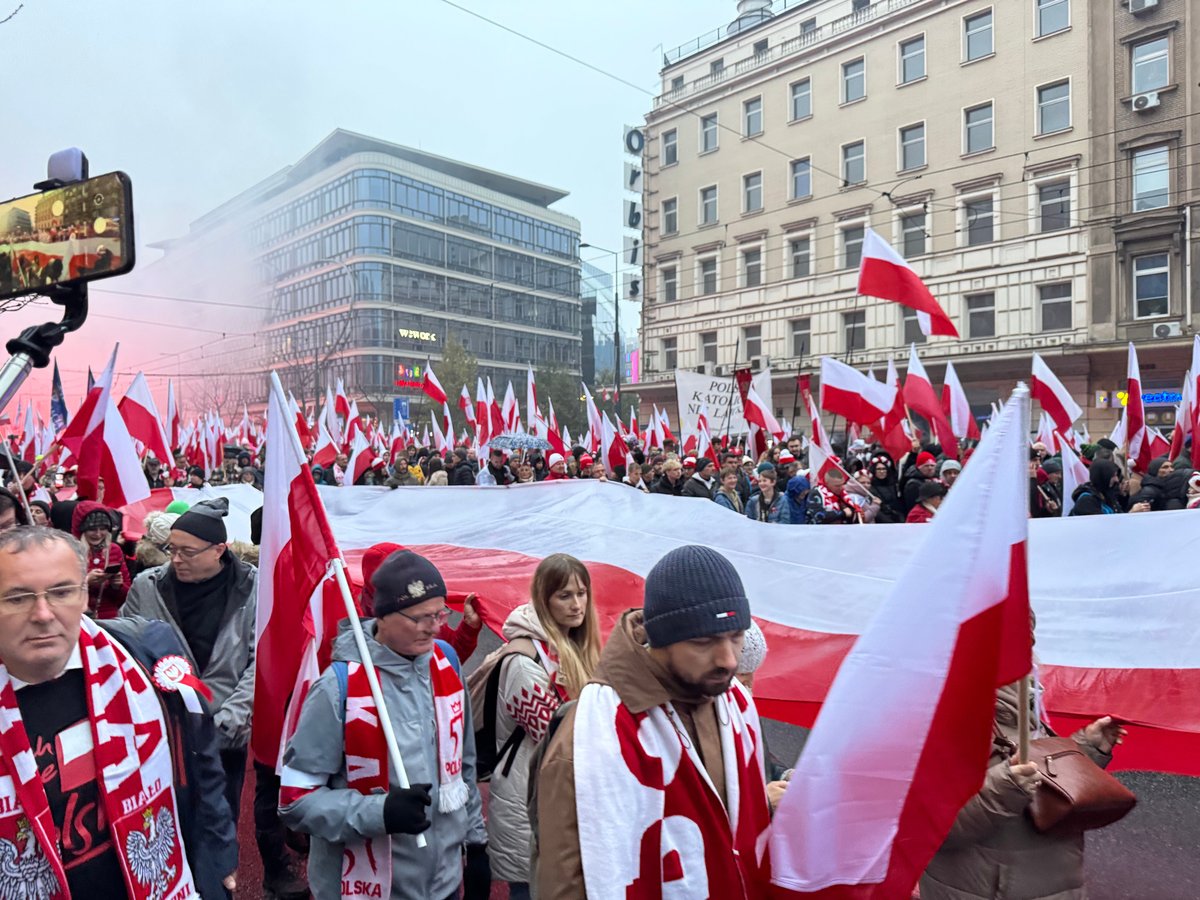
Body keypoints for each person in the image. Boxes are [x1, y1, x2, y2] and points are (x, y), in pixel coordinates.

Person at [0, 526, 237, 899]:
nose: (43, 614)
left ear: (83, 594)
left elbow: (201, 748)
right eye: (18, 598)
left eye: (61, 592)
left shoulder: (149, 650)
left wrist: (218, 852)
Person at [534, 545, 771, 898]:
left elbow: (729, 818)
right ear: (661, 638)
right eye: (704, 641)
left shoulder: (732, 701)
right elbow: (566, 880)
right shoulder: (589, 737)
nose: (728, 660)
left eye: (735, 637)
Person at [280, 550, 490, 900]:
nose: (436, 627)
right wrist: (379, 813)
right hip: (366, 889)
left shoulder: (446, 666)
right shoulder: (338, 687)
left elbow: (464, 769)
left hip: (444, 883)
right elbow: (295, 800)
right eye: (420, 617)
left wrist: (477, 845)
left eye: (440, 613)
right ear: (384, 615)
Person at [120, 499, 258, 846]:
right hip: (162, 731)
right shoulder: (147, 587)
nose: (176, 559)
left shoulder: (254, 588)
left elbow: (260, 661)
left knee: (220, 824)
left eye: (188, 552)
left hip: (225, 730)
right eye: (171, 549)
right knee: (164, 827)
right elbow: (124, 653)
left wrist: (230, 718)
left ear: (219, 550)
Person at [920, 671, 1126, 899]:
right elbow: (935, 830)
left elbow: (1049, 786)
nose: (1031, 640)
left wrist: (1086, 749)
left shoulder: (1031, 714)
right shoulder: (950, 722)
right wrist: (1005, 786)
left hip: (1062, 885)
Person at [470, 554, 601, 899]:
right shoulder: (523, 663)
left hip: (557, 801)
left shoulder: (570, 646)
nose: (577, 605)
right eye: (565, 596)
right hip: (528, 805)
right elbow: (559, 738)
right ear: (544, 600)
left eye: (582, 593)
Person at [359, 542, 484, 663]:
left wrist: (469, 628)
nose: (435, 628)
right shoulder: (358, 634)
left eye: (439, 614)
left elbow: (449, 660)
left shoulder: (423, 605)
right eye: (417, 618)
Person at [71, 500, 130, 618]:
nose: (98, 534)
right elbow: (60, 592)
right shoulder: (70, 551)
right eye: (92, 529)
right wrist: (86, 582)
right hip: (79, 617)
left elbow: (127, 597)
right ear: (81, 530)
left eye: (102, 528)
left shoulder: (114, 550)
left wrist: (117, 586)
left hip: (110, 619)